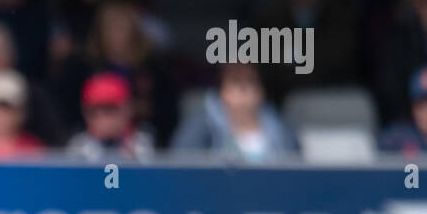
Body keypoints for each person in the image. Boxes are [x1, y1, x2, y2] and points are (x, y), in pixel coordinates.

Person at [170, 61, 298, 162]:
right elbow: (183, 168)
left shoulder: (281, 129)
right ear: (221, 91)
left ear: (261, 90)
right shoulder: (199, 128)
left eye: (250, 81)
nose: (243, 88)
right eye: (235, 82)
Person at [66, 72, 155, 161]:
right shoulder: (79, 146)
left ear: (127, 109)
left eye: (110, 109)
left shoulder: (140, 144)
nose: (103, 117)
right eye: (95, 111)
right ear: (86, 113)